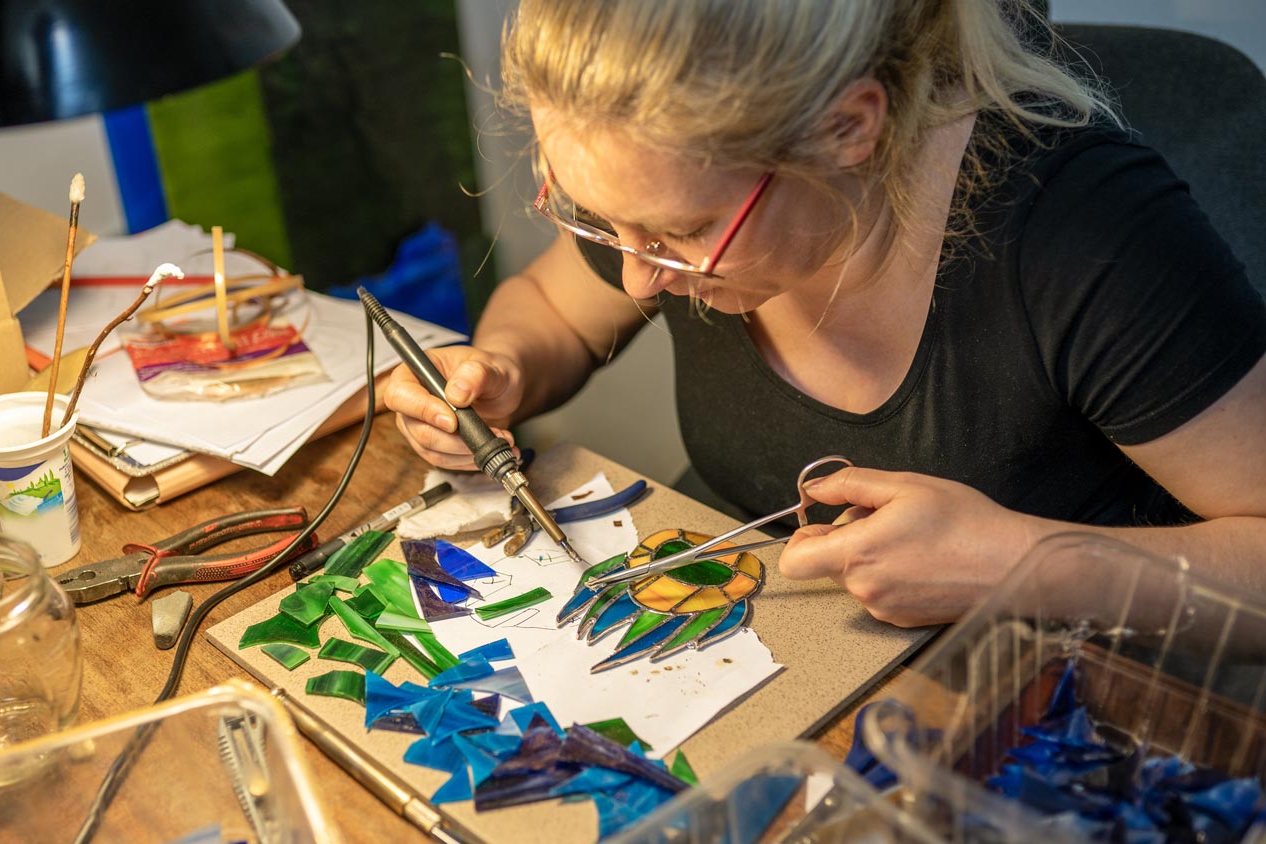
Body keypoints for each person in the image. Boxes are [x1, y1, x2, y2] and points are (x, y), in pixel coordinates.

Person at [383, 0, 1266, 627]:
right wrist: (497, 372)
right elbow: (552, 310)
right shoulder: (654, 210)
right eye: (591, 216)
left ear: (848, 130)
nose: (638, 280)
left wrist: (1019, 564)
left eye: (676, 234)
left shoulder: (1087, 232)